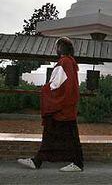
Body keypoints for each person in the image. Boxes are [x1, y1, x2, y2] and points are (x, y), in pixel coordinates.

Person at [18, 37, 83, 172]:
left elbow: (56, 86)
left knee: (56, 135)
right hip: (68, 107)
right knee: (60, 136)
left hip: (61, 109)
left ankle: (77, 163)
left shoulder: (64, 63)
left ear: (60, 48)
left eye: (57, 46)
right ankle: (38, 161)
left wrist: (44, 89)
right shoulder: (71, 62)